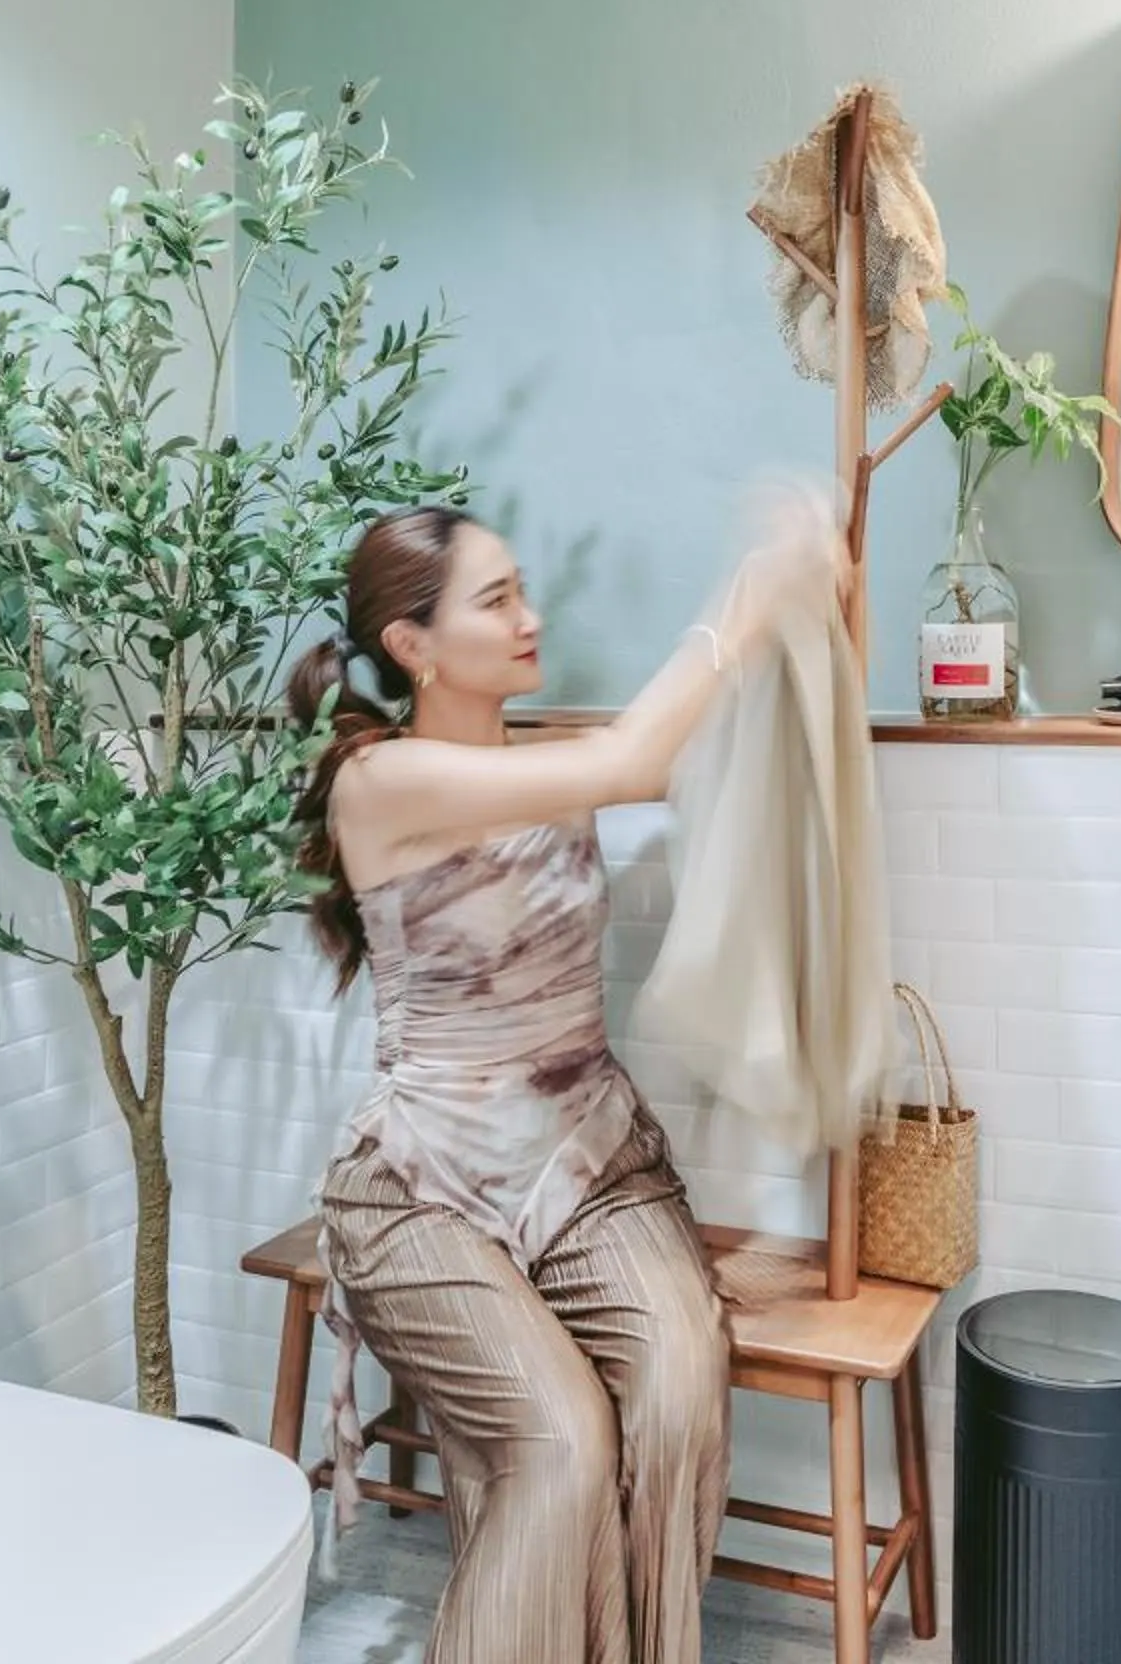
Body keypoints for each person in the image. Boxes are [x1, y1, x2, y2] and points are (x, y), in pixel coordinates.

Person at [285, 500, 838, 1664]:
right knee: (562, 1436)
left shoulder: (545, 770)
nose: (532, 618)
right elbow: (636, 755)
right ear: (413, 645)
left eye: (523, 589)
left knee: (682, 1382)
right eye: (496, 600)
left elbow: (698, 762)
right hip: (421, 1186)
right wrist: (750, 589)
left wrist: (823, 625)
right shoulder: (379, 782)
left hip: (588, 1158)